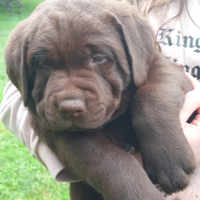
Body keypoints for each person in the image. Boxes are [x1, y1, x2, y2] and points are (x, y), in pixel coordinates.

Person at [0, 0, 200, 198]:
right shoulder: (57, 16)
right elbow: (18, 101)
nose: (71, 97)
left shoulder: (129, 29)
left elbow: (161, 70)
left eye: (98, 57)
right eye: (44, 63)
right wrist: (121, 177)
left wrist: (158, 125)